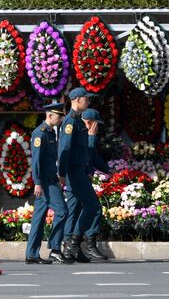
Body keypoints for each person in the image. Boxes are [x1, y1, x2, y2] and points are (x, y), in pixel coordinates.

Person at [59, 87, 107, 262]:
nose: (88, 101)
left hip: (78, 170)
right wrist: (62, 173)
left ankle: (72, 246)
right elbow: (64, 149)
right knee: (92, 206)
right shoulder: (71, 122)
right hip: (73, 171)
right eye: (86, 99)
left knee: (84, 207)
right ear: (77, 99)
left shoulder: (77, 121)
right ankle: (73, 242)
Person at [25, 103, 73, 264]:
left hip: (50, 178)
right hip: (45, 181)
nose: (61, 119)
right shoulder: (40, 133)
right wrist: (37, 182)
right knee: (62, 211)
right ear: (50, 115)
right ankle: (55, 248)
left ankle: (31, 253)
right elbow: (36, 161)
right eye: (59, 116)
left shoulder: (51, 132)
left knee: (39, 217)